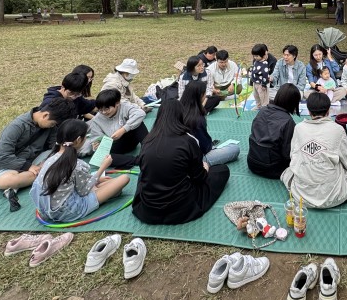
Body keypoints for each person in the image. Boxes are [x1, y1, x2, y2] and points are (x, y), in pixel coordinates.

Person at [132, 83, 230, 226]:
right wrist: (206, 169)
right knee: (222, 170)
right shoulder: (188, 141)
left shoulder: (147, 140)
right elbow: (199, 178)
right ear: (180, 116)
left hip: (149, 209)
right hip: (180, 208)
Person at [0, 97, 76, 210]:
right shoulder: (17, 126)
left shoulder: (51, 127)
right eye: (52, 124)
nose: (53, 126)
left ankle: (19, 186)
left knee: (59, 157)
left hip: (33, 162)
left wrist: (46, 161)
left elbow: (53, 148)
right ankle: (40, 177)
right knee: (7, 181)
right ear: (45, 115)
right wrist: (29, 167)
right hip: (4, 166)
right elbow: (2, 157)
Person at [31, 119, 129, 223]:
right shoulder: (75, 164)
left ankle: (103, 187)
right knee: (124, 178)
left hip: (47, 209)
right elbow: (83, 191)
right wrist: (103, 167)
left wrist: (97, 179)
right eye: (85, 137)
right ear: (78, 140)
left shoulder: (49, 159)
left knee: (104, 184)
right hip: (69, 211)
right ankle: (106, 190)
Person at [280, 93, 347, 209]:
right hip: (334, 197)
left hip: (300, 196)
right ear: (328, 111)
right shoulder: (337, 129)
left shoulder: (299, 128)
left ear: (309, 111)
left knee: (290, 170)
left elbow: (293, 156)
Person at [85, 88, 149, 168]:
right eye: (101, 110)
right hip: (115, 145)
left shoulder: (125, 107)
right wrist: (96, 144)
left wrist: (123, 129)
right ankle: (137, 160)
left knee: (138, 124)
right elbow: (96, 137)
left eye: (107, 109)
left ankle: (149, 151)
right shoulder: (97, 119)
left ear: (117, 103)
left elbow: (140, 113)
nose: (104, 112)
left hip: (131, 138)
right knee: (103, 157)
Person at [181, 81, 240, 166]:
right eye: (205, 93)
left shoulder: (178, 110)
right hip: (195, 158)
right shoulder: (197, 118)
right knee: (234, 148)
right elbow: (205, 147)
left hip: (176, 155)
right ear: (201, 95)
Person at [248, 84, 300, 179]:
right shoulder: (288, 121)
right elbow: (287, 153)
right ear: (293, 102)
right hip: (272, 168)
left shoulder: (262, 111)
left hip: (252, 162)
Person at [250, 44, 272, 109]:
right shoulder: (256, 61)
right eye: (254, 56)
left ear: (262, 55)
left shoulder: (264, 64)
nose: (255, 57)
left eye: (256, 56)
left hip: (261, 84)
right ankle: (258, 105)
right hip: (255, 82)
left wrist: (264, 85)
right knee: (256, 95)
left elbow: (265, 75)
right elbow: (255, 69)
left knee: (263, 97)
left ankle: (265, 108)